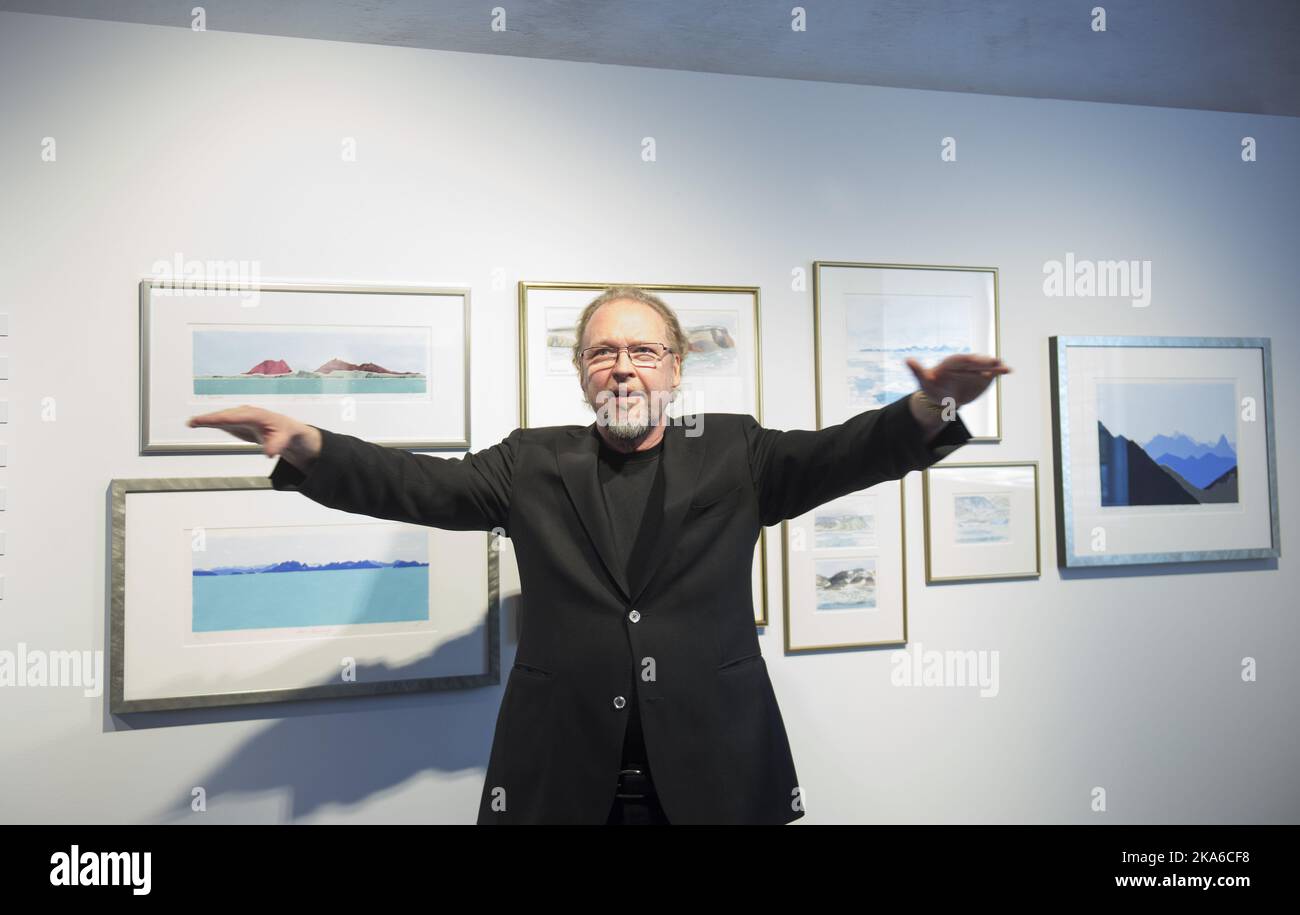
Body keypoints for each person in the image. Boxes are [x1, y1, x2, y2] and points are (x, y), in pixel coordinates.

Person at [189, 285, 1010, 824]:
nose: (622, 367)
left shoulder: (737, 453)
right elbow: (423, 487)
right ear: (582, 371)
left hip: (716, 774)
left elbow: (846, 452)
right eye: (602, 353)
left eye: (642, 351)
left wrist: (929, 405)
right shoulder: (532, 461)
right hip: (561, 781)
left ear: (676, 368)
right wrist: (309, 446)